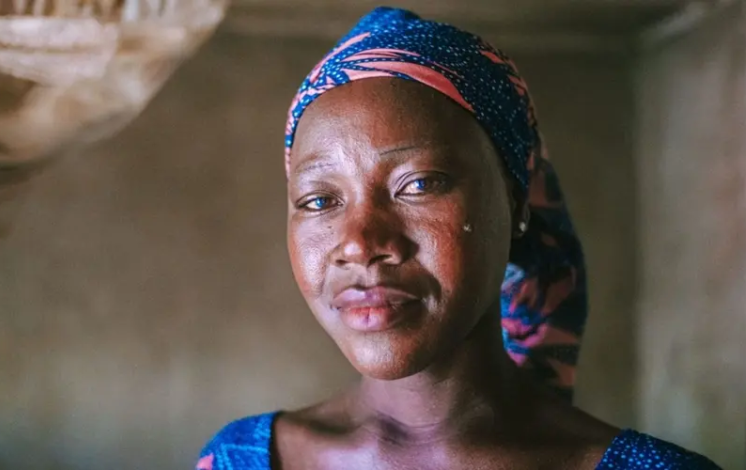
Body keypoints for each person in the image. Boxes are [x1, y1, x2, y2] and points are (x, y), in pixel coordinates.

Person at [196, 7, 721, 470]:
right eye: (318, 200)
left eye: (419, 184)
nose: (359, 243)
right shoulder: (239, 459)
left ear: (516, 202)